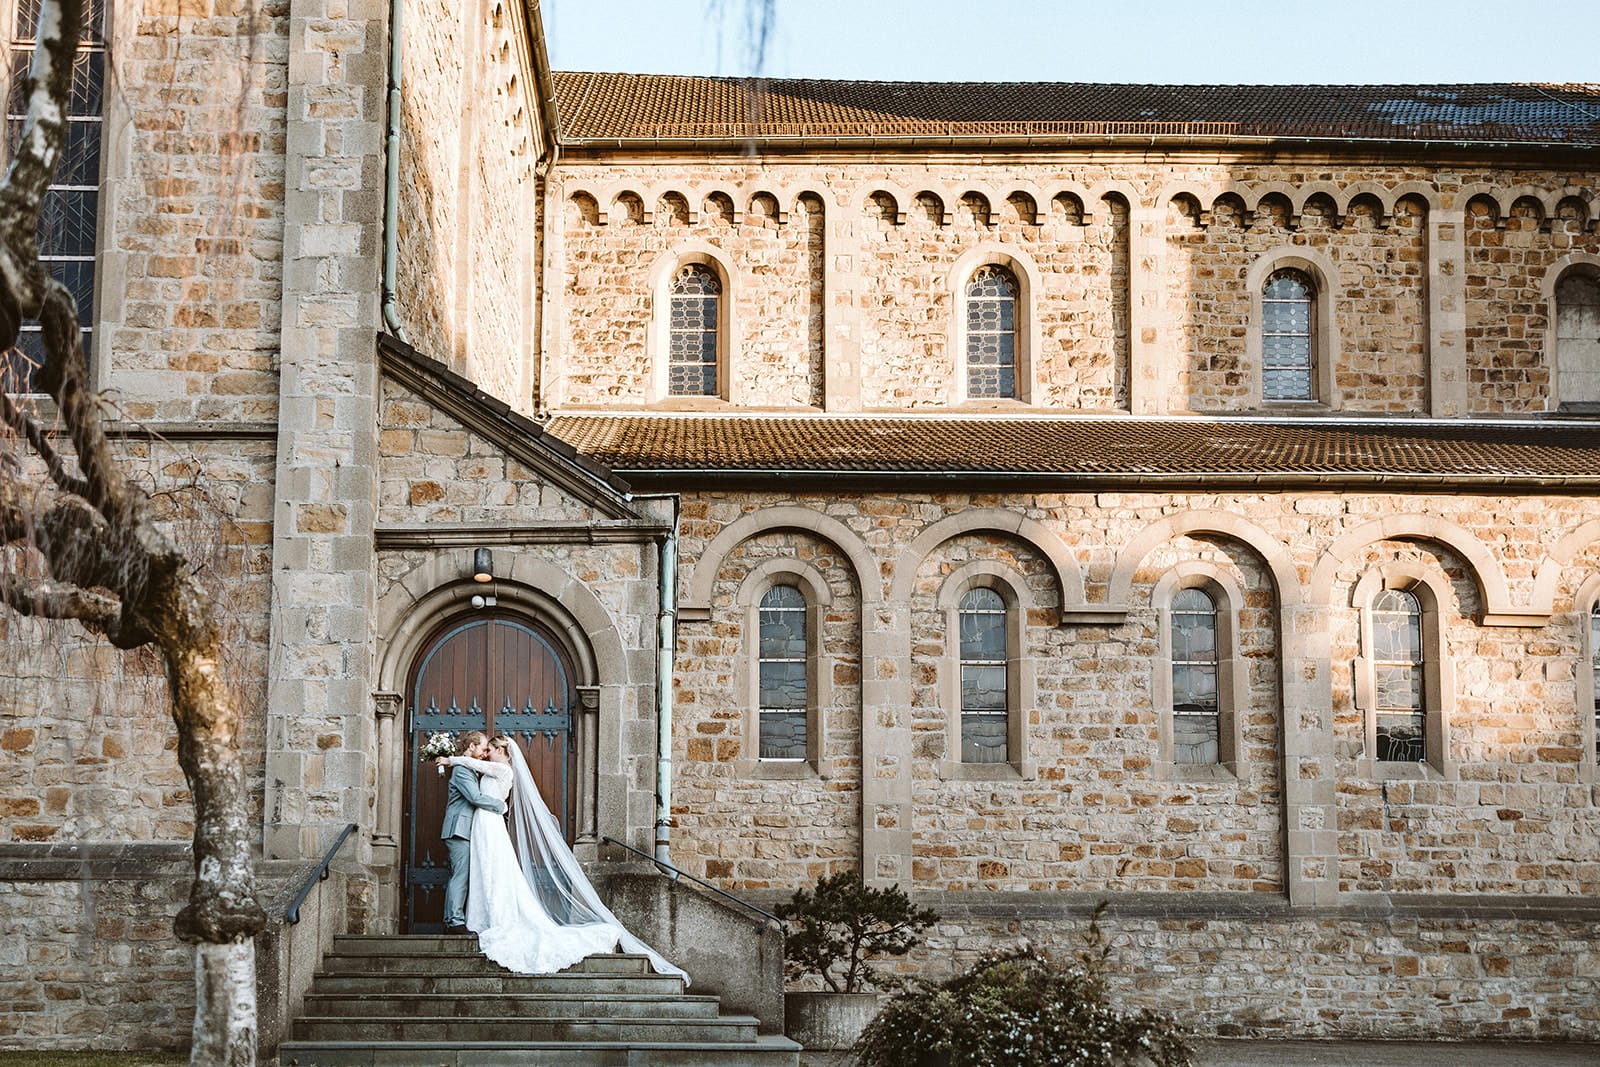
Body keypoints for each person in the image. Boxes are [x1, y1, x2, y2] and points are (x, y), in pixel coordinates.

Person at [443, 734, 688, 981]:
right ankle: (470, 917)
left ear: (501, 751)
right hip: (481, 825)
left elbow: (479, 778)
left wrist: (452, 760)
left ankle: (483, 918)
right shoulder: (481, 768)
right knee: (485, 869)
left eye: (489, 749)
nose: (486, 754)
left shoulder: (501, 769)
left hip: (489, 822)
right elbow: (475, 780)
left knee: (492, 870)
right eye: (484, 750)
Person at [439, 731, 506, 935]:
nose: (485, 753)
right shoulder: (461, 770)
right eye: (483, 748)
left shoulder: (469, 768)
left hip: (467, 830)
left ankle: (455, 918)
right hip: (458, 829)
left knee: (464, 874)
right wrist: (500, 806)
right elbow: (475, 797)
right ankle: (454, 921)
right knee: (460, 875)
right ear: (471, 747)